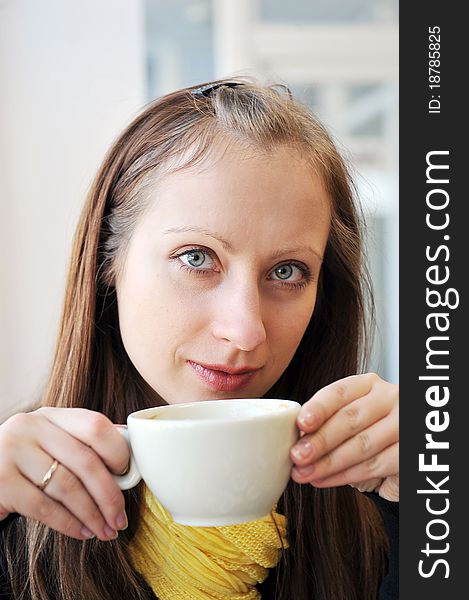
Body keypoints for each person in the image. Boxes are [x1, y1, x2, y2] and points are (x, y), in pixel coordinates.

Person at [0, 78, 399, 600]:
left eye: (287, 272)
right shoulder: (12, 505)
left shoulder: (389, 507)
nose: (245, 330)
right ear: (108, 262)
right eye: (196, 258)